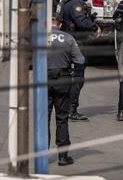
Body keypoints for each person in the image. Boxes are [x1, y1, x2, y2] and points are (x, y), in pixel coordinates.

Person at [57, 0, 100, 121]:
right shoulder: (75, 4)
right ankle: (72, 109)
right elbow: (81, 22)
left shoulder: (67, 0)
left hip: (64, 41)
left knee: (66, 75)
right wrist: (94, 27)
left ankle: (64, 107)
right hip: (75, 43)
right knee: (78, 77)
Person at [47, 15, 83, 167]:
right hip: (62, 79)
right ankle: (63, 156)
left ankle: (41, 155)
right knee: (62, 118)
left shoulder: (40, 38)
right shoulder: (68, 38)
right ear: (60, 25)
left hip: (43, 79)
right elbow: (80, 60)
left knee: (43, 118)